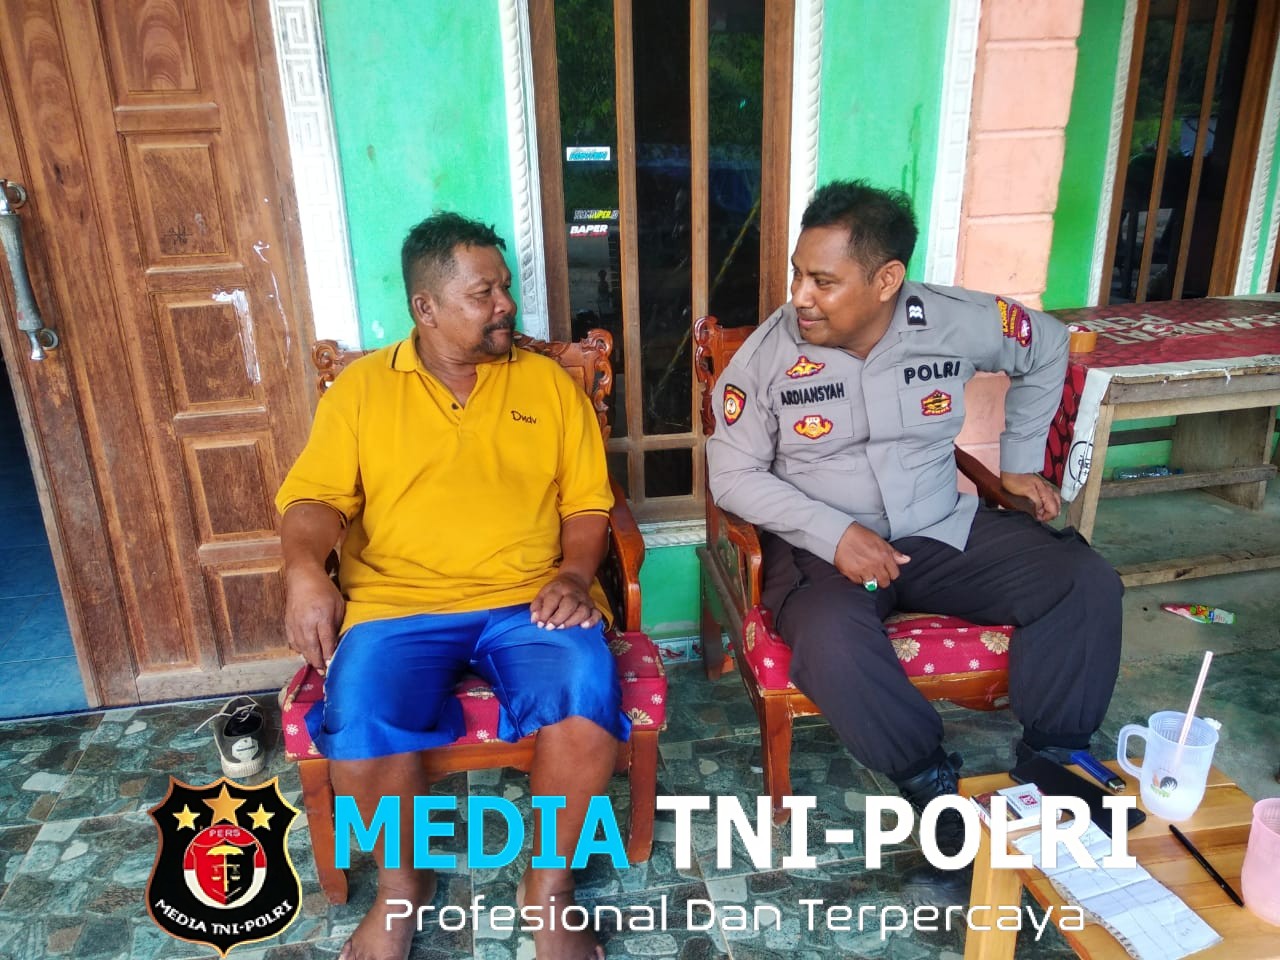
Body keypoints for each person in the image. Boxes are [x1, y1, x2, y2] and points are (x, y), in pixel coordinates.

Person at [706, 180, 1123, 853]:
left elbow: (1047, 345)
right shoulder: (766, 357)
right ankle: (929, 783)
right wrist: (834, 534)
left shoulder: (954, 319)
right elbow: (731, 475)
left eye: (822, 281)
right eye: (797, 275)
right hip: (821, 547)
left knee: (1083, 580)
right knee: (830, 639)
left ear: (886, 280)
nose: (800, 297)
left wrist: (1020, 462)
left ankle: (1054, 758)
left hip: (938, 526)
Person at [277, 212, 627, 960]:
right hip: (396, 605)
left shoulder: (547, 384)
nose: (506, 305)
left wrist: (573, 573)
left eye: (505, 288)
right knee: (361, 723)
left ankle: (549, 888)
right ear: (426, 307)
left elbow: (587, 504)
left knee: (585, 695)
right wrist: (304, 568)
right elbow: (314, 501)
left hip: (531, 599)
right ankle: (402, 890)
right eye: (484, 293)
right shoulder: (361, 391)